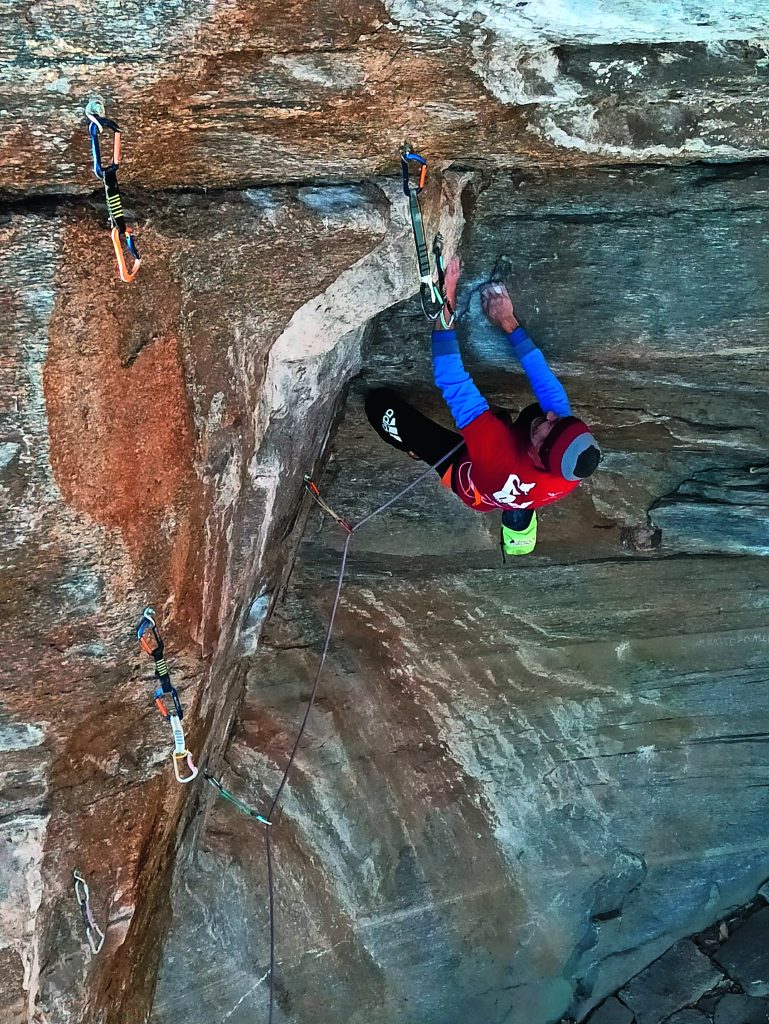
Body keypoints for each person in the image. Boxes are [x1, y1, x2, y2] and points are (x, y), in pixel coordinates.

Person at [365, 257, 601, 555]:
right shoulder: (572, 463)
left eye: (548, 428)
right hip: (511, 474)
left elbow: (451, 377)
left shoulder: (497, 456)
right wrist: (507, 320)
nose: (552, 415)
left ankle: (413, 447)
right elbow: (543, 379)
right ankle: (498, 425)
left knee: (379, 406)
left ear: (539, 452)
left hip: (469, 478)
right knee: (536, 413)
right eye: (560, 420)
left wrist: (448, 296)